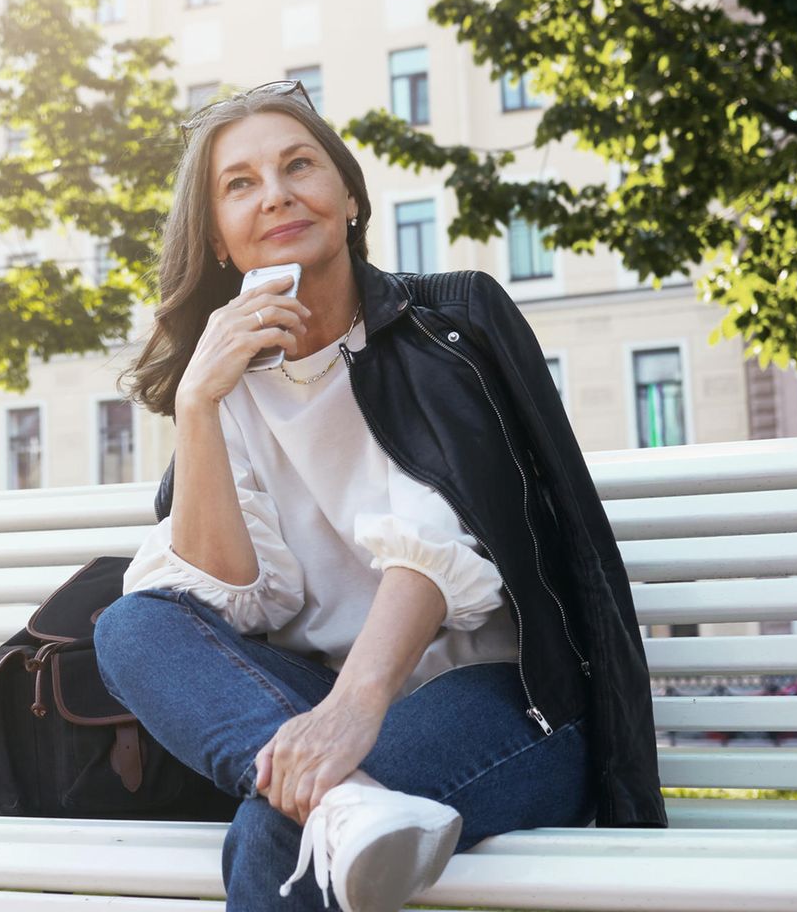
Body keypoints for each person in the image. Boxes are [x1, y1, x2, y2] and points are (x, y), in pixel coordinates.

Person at [93, 80, 666, 912]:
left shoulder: (447, 326)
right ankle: (349, 804)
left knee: (278, 834)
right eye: (240, 184)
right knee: (131, 625)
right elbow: (231, 600)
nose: (278, 193)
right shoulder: (228, 389)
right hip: (319, 703)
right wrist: (198, 404)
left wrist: (354, 711)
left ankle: (330, 796)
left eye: (300, 166)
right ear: (217, 237)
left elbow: (440, 543)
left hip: (507, 699)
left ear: (351, 197)